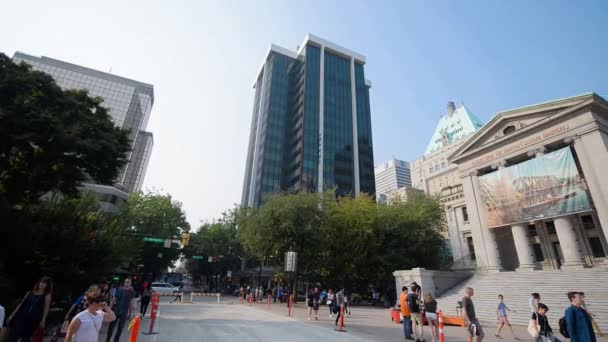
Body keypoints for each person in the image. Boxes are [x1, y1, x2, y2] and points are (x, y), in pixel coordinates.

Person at [7, 276, 53, 342]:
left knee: (26, 338)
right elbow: (21, 304)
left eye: (45, 283)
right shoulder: (30, 292)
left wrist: (43, 320)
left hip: (33, 319)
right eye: (42, 282)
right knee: (13, 336)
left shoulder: (47, 295)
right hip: (21, 316)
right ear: (39, 282)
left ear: (47, 286)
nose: (42, 284)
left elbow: (46, 308)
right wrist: (12, 315)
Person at [105, 278, 134, 342]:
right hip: (116, 311)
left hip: (124, 312)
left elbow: (131, 302)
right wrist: (109, 310)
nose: (126, 284)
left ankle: (116, 340)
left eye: (128, 282)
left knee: (120, 328)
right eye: (125, 282)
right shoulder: (119, 290)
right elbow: (113, 300)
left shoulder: (131, 291)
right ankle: (107, 340)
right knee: (111, 327)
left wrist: (130, 313)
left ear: (130, 283)